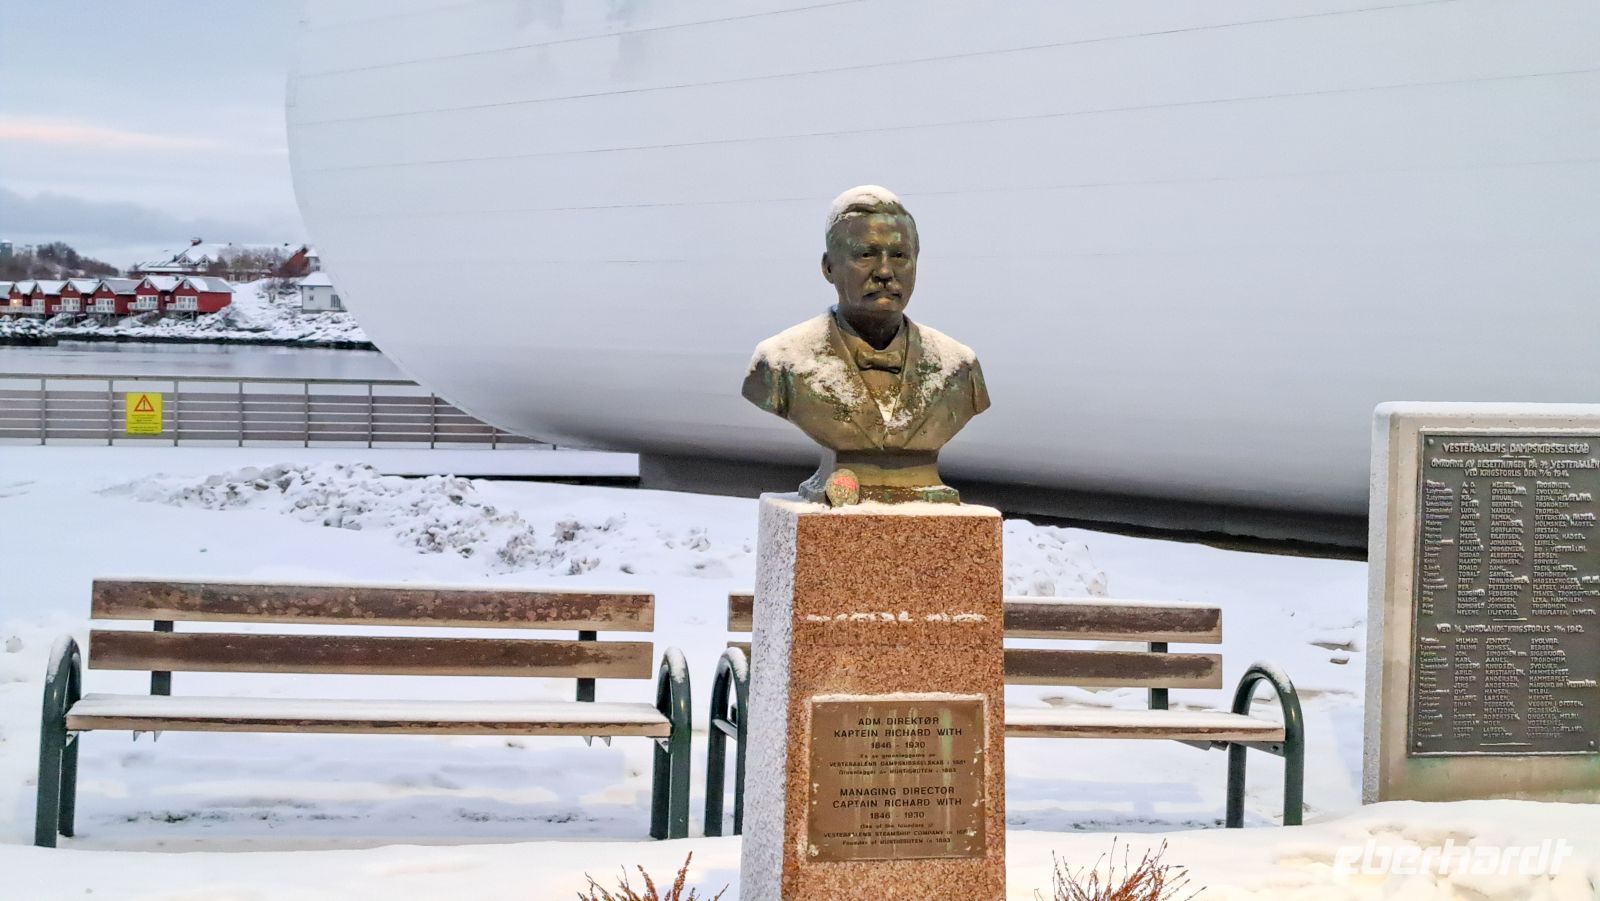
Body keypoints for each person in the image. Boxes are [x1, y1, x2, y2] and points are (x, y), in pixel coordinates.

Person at [742, 185, 990, 504]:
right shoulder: (780, 363)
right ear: (829, 267)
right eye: (865, 255)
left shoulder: (959, 366)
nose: (885, 272)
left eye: (900, 256)